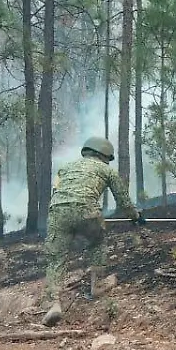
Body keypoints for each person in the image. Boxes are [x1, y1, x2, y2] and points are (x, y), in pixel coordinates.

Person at [41, 137, 143, 326]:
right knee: (97, 242)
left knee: (56, 259)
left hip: (57, 213)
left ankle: (54, 304)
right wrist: (135, 216)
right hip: (87, 210)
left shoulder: (65, 168)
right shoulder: (106, 170)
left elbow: (56, 190)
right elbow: (123, 201)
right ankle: (97, 285)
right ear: (103, 155)